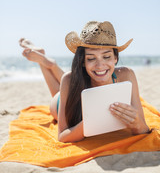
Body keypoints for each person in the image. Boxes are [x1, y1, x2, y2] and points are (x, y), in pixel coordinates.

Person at [19, 21, 149, 143]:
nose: (100, 65)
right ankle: (47, 64)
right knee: (62, 88)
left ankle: (51, 64)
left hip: (78, 80)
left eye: (106, 56)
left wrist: (136, 122)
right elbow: (62, 136)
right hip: (59, 103)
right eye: (91, 58)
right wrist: (89, 122)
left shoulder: (127, 75)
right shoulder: (68, 80)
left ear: (115, 58)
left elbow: (143, 128)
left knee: (74, 79)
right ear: (83, 61)